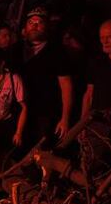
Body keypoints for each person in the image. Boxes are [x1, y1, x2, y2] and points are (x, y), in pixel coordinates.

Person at [18, 8, 74, 144]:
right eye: (31, 22)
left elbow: (66, 85)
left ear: (47, 26)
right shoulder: (17, 50)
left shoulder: (56, 51)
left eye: (39, 22)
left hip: (47, 113)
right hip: (21, 113)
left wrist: (65, 117)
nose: (34, 25)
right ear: (25, 27)